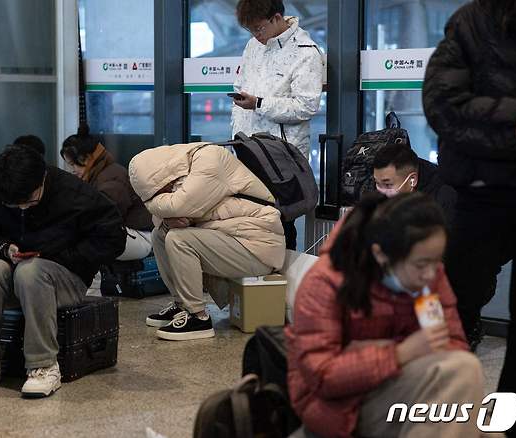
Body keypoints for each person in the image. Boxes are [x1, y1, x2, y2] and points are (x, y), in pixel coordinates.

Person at [286, 193, 488, 438]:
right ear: (381, 255)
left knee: (466, 386)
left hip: (404, 385)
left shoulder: (429, 278)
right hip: (339, 407)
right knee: (462, 380)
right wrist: (401, 352)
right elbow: (322, 377)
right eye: (421, 264)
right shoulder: (325, 283)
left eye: (436, 262)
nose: (431, 274)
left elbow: (452, 343)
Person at [423, 1, 516, 429]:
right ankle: (441, 410)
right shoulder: (473, 21)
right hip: (482, 190)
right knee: (455, 302)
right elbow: (441, 105)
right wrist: (514, 120)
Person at [0, 146, 125, 397]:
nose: (23, 209)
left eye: (30, 201)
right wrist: (4, 249)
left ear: (43, 179)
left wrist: (60, 256)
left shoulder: (75, 193)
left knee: (31, 272)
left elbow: (113, 239)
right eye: (14, 205)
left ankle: (43, 365)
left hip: (65, 276)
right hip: (14, 272)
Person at [129, 142, 286, 341]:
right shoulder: (182, 174)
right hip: (232, 237)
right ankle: (182, 306)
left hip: (257, 245)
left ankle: (198, 317)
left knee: (179, 239)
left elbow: (179, 206)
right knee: (159, 235)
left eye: (156, 193)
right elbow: (166, 217)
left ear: (160, 176)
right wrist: (166, 216)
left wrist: (151, 205)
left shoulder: (210, 160)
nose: (160, 196)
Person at [231, 0, 324, 251]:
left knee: (280, 224)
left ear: (277, 17)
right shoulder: (253, 46)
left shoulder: (306, 52)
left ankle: (283, 286)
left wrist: (259, 104)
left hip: (281, 158)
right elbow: (241, 86)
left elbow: (306, 107)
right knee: (251, 225)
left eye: (259, 29)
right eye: (251, 31)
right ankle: (256, 285)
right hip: (247, 149)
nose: (256, 36)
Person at [61, 125, 153, 261]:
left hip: (139, 236)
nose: (72, 170)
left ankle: (91, 282)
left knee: (85, 240)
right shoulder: (99, 174)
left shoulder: (110, 178)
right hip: (125, 232)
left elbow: (106, 218)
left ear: (86, 158)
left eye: (73, 164)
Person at [373, 143, 457, 222]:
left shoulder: (442, 197)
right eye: (377, 183)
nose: (380, 192)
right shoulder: (374, 197)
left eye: (388, 185)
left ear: (412, 180)